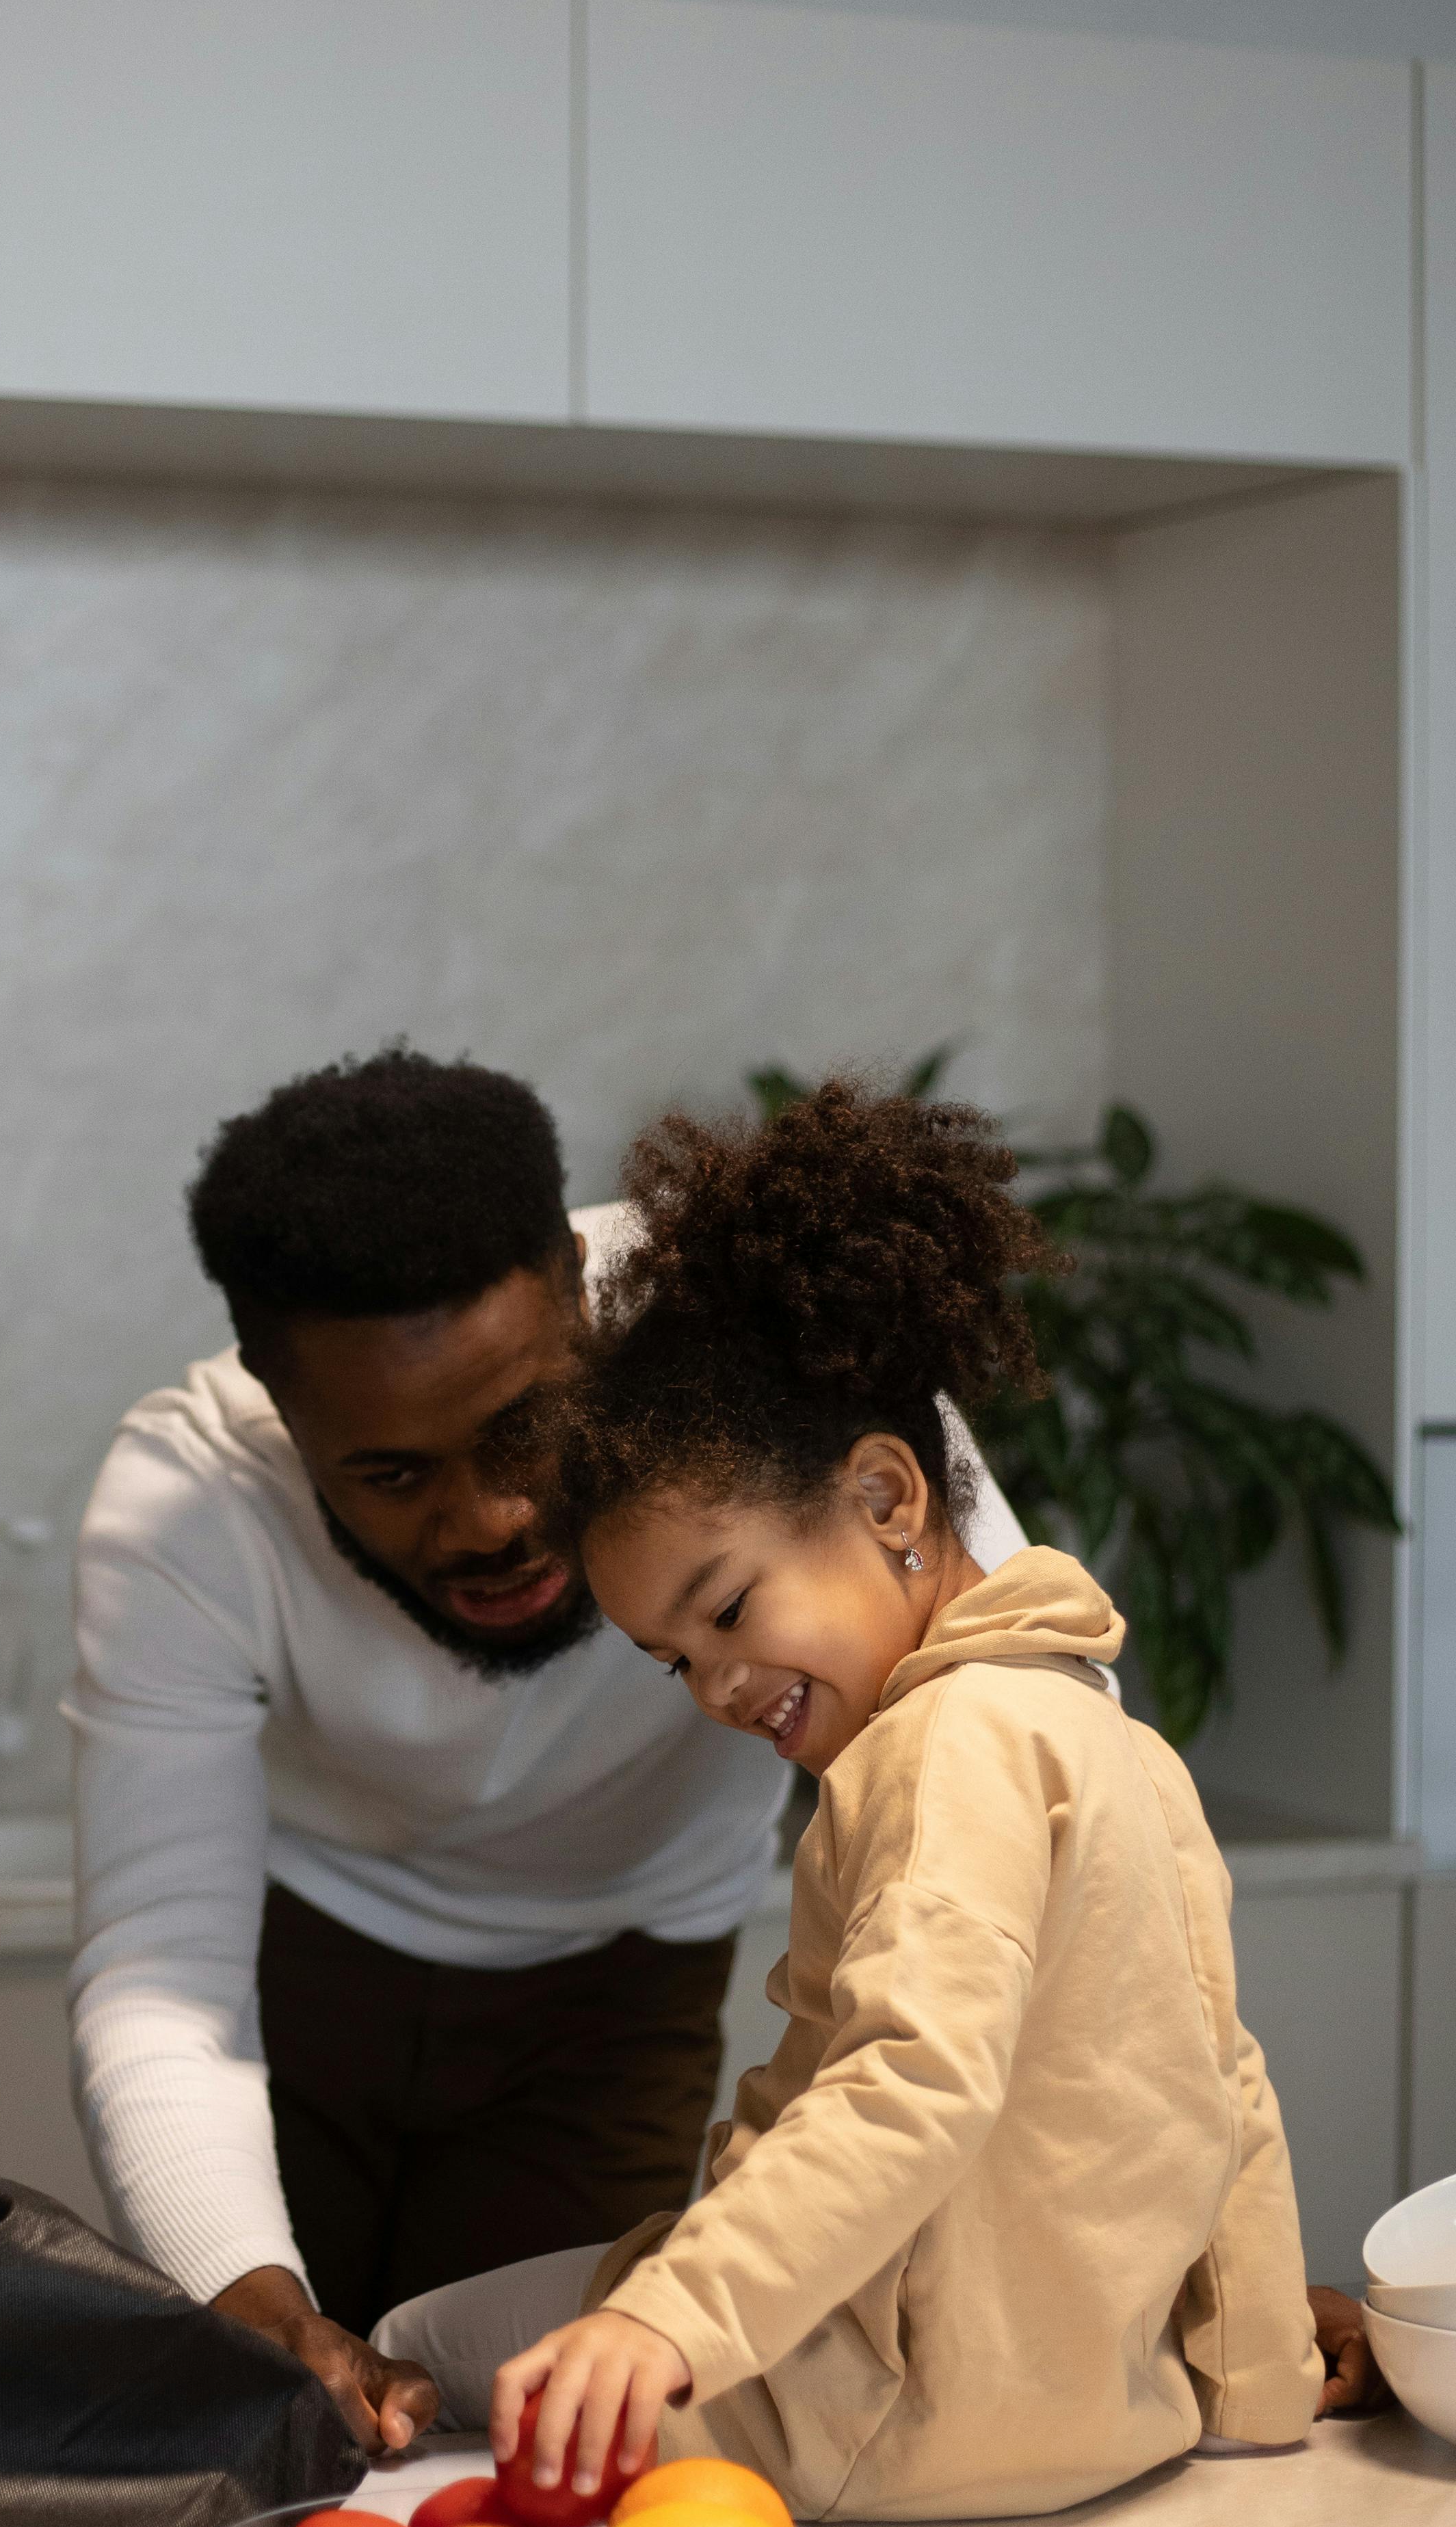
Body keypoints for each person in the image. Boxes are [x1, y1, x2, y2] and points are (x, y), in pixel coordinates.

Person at [65, 1045, 1037, 2456]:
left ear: (580, 1292)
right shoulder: (185, 1503)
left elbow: (1039, 1744)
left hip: (618, 1991)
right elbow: (162, 1974)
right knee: (278, 2436)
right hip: (301, 1992)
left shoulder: (758, 1349)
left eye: (524, 1426)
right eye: (393, 1474)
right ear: (279, 1402)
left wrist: (1191, 2267)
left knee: (542, 2452)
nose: (491, 1518)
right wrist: (250, 2301)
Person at [393, 1081, 1325, 2518]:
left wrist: (669, 2320)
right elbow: (1225, 2077)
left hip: (882, 2432)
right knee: (598, 2286)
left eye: (728, 1608)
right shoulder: (1110, 1738)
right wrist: (1258, 2391)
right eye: (672, 1662)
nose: (712, 1688)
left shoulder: (941, 1746)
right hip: (1103, 2418)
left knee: (419, 2341)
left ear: (891, 1498)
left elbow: (908, 2080)